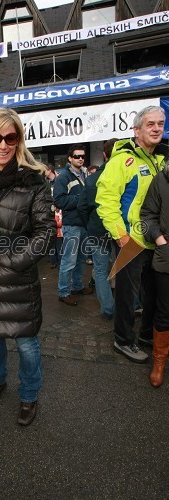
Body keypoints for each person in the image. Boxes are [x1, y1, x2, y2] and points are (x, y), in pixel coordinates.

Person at [0, 107, 55, 427]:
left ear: (18, 139)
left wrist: (14, 261)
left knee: (27, 343)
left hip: (18, 278)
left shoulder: (34, 180)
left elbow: (45, 232)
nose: (2, 144)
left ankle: (29, 395)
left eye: (10, 136)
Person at [96, 105, 166, 363]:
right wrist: (121, 237)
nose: (157, 128)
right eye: (150, 124)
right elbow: (105, 201)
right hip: (131, 241)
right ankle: (123, 340)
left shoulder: (161, 159)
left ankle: (147, 334)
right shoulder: (121, 162)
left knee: (154, 294)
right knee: (127, 295)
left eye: (160, 123)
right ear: (136, 130)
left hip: (157, 242)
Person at [77, 139, 118, 320]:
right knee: (124, 268)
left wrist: (90, 224)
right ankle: (134, 305)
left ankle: (109, 309)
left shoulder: (92, 178)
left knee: (101, 271)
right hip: (119, 230)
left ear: (104, 155)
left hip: (98, 230)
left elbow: (82, 206)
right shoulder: (123, 175)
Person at [141, 160, 169, 387]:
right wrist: (161, 240)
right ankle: (159, 361)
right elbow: (148, 215)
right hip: (166, 258)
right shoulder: (162, 179)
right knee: (164, 311)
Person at [53, 144, 93, 306]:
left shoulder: (85, 174)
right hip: (72, 225)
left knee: (81, 258)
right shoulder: (63, 177)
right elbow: (59, 201)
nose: (80, 158)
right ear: (70, 158)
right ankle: (63, 292)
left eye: (82, 156)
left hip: (84, 224)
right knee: (68, 260)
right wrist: (81, 200)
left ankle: (77, 286)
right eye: (77, 156)